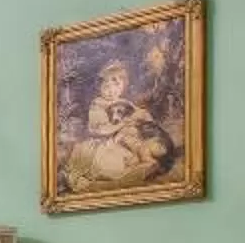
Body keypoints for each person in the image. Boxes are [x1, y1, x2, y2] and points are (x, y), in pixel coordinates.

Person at [62, 57, 179, 192]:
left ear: (123, 86)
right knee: (113, 163)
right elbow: (99, 129)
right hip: (101, 144)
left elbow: (139, 113)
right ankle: (121, 174)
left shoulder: (124, 102)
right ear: (99, 87)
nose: (112, 91)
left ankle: (143, 163)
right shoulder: (97, 104)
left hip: (119, 143)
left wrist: (141, 116)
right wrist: (121, 125)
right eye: (106, 86)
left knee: (132, 148)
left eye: (117, 86)